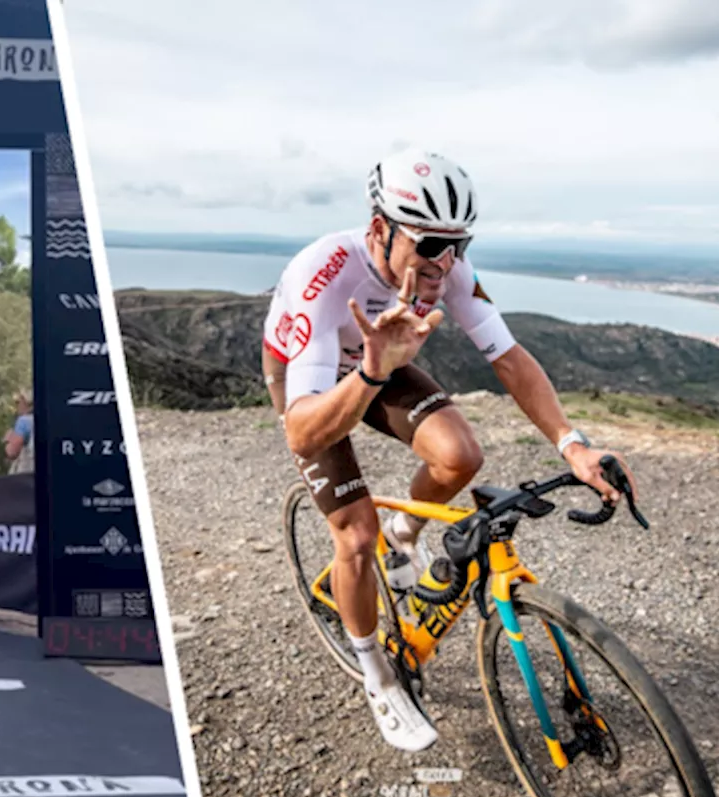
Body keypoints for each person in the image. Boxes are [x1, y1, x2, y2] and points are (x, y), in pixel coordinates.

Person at [269, 148, 639, 753]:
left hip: (377, 360)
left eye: (459, 244)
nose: (447, 262)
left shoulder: (451, 271)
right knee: (353, 538)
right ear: (379, 230)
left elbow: (511, 359)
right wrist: (368, 372)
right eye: (430, 244)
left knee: (461, 456)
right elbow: (304, 433)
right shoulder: (328, 272)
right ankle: (376, 673)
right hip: (307, 377)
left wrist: (573, 446)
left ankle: (402, 533)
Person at [4, 390, 34, 474]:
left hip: (28, 473)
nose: (17, 405)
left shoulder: (24, 421)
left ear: (26, 403)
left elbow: (12, 452)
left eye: (18, 402)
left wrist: (9, 440)